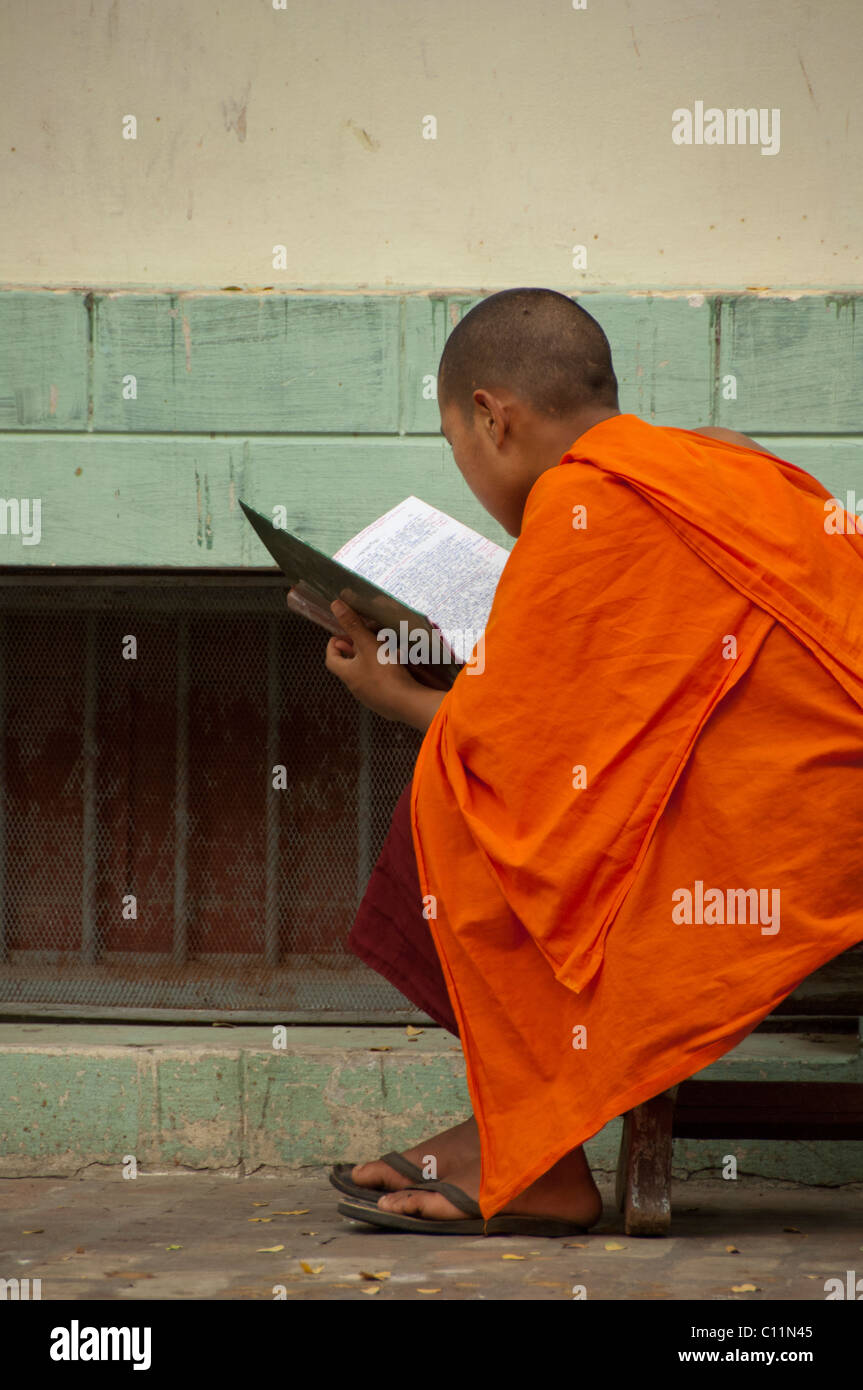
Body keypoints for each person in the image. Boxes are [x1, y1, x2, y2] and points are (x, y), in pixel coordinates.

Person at [322, 287, 863, 1236]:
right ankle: (528, 1132)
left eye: (458, 447)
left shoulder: (582, 497)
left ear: (492, 416)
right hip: (811, 796)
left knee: (455, 803)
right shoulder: (714, 459)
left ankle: (540, 1156)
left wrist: (395, 695)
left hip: (801, 835)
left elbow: (511, 750)